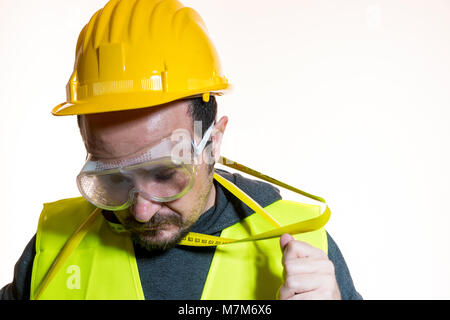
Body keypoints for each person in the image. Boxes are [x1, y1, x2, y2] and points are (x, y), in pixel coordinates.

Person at [0, 0, 362, 300]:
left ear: (213, 143)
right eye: (112, 177)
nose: (141, 212)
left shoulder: (309, 257)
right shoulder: (52, 249)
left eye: (164, 173)